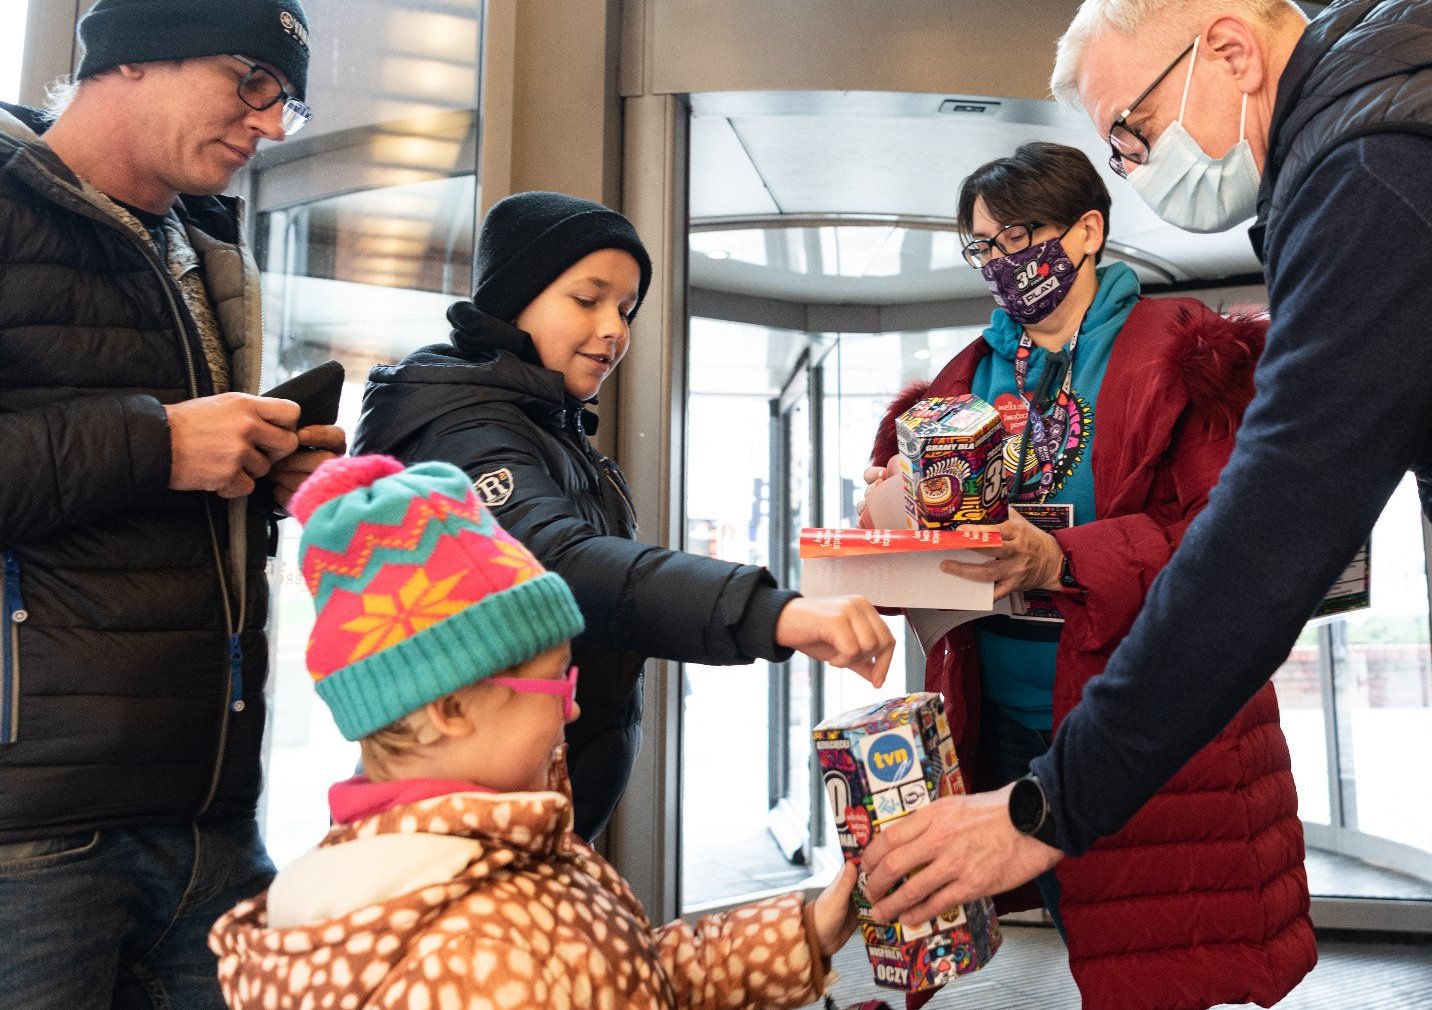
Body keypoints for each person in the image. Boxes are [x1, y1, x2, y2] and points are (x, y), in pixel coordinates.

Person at [859, 0, 1432, 1005]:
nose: (1132, 168)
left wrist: (1044, 806)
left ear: (1224, 48)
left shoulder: (1380, 166)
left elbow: (1269, 529)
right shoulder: (1424, 122)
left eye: (1130, 132)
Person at [858, 142, 1312, 1008]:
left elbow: (1233, 544)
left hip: (1145, 718)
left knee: (1152, 963)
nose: (999, 264)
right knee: (1085, 935)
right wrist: (892, 516)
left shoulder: (1183, 355)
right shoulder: (966, 378)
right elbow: (929, 533)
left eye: (1017, 236)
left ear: (1087, 232)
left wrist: (1061, 555)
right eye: (981, 247)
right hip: (1003, 721)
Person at [209, 454, 857, 1010]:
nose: (571, 711)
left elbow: (622, 979)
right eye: (556, 685)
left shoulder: (465, 858)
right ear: (451, 709)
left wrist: (806, 934)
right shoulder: (477, 950)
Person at [354, 192, 895, 837]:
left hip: (541, 811)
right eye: (588, 299)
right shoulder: (465, 430)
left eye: (626, 308)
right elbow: (556, 564)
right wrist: (774, 613)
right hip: (478, 821)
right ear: (511, 302)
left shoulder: (544, 424)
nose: (615, 327)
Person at [0, 1, 345, 1006]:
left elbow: (172, 493)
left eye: (287, 102)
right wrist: (158, 442)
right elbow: (155, 451)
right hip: (35, 836)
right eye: (252, 83)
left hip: (214, 815)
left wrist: (267, 471)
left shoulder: (204, 246)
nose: (272, 124)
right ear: (136, 55)